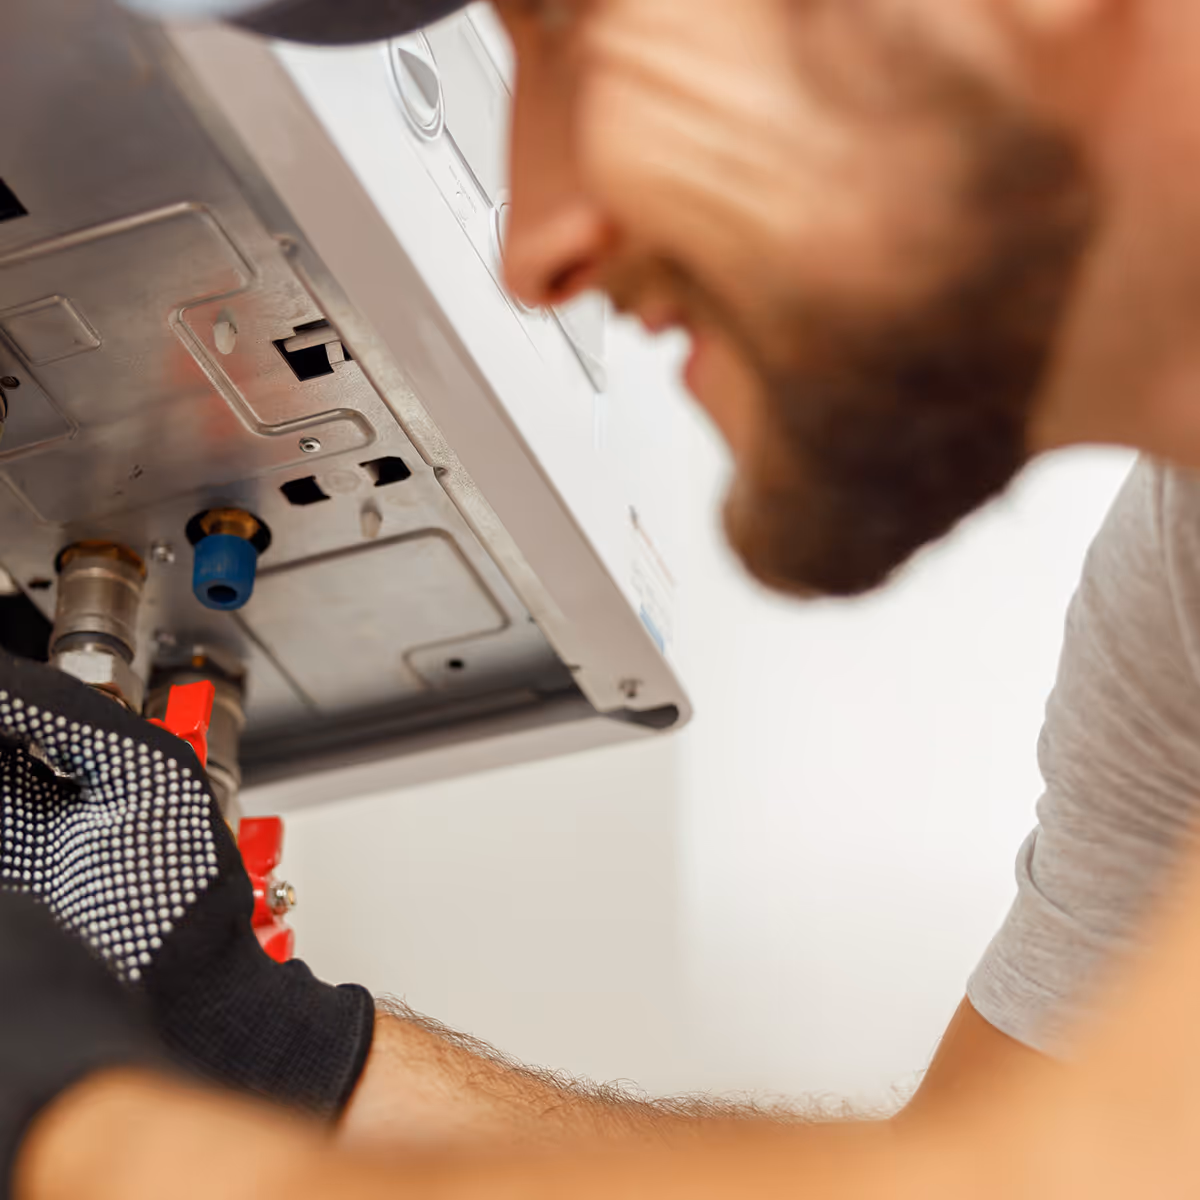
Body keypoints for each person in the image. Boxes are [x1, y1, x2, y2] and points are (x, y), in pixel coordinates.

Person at [7, 0, 1200, 1195]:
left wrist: (74, 1127)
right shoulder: (1175, 589)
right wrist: (252, 1037)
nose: (537, 243)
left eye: (569, 29)